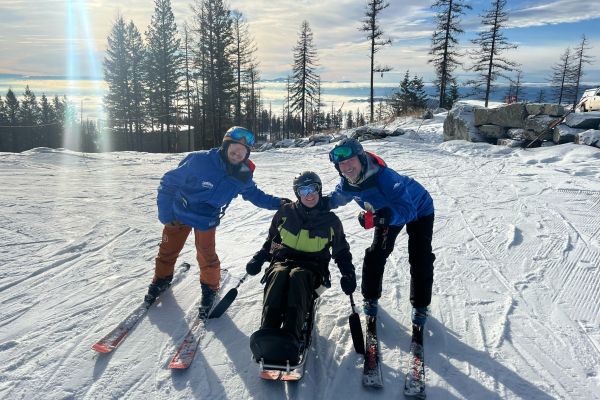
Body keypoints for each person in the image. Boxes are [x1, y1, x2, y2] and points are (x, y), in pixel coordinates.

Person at [145, 126, 290, 318]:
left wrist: (279, 204)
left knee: (207, 256)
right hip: (178, 214)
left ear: (247, 155)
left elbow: (255, 195)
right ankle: (161, 279)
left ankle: (210, 289)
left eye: (243, 152)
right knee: (167, 250)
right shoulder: (199, 161)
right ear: (225, 145)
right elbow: (168, 183)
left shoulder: (242, 175)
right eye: (235, 149)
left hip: (206, 219)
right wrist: (165, 215)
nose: (238, 154)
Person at [327, 137, 435, 339]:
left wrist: (381, 217)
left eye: (350, 160)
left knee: (420, 257)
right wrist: (312, 204)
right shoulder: (348, 182)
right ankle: (370, 298)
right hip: (385, 214)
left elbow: (408, 210)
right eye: (341, 163)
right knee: (376, 253)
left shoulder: (385, 177)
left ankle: (420, 305)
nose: (346, 167)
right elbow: (336, 199)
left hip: (419, 208)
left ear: (361, 158)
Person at [245, 171, 356, 361]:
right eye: (303, 190)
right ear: (297, 193)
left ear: (319, 190)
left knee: (297, 276)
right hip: (282, 261)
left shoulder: (330, 221)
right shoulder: (285, 213)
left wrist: (348, 274)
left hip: (313, 268)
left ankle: (291, 335)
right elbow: (274, 241)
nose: (309, 194)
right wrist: (260, 257)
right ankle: (268, 331)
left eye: (313, 188)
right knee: (278, 274)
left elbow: (341, 252)